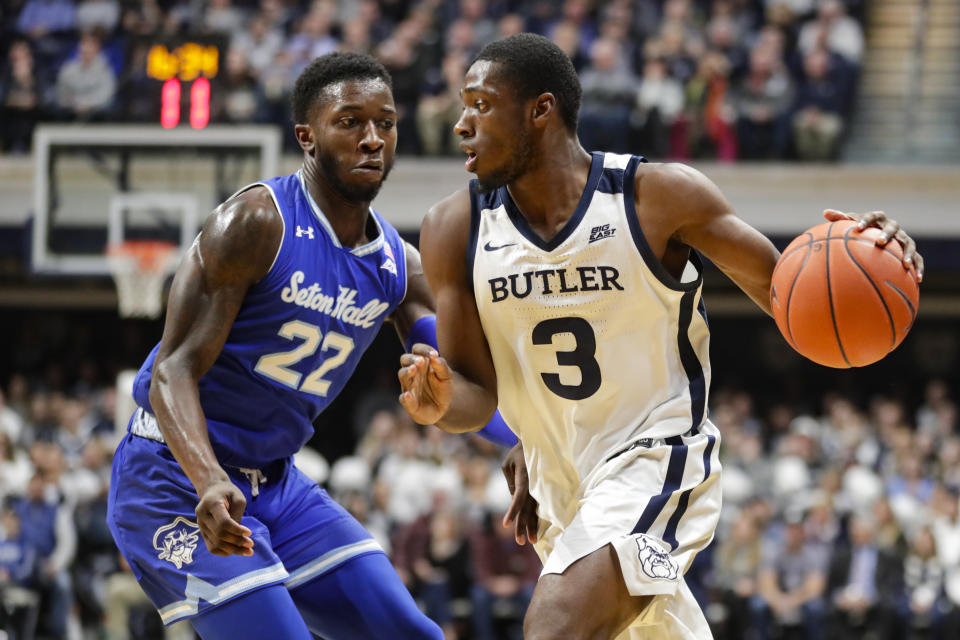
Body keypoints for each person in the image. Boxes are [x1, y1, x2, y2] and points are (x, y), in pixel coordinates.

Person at [397, 32, 924, 640]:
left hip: (658, 460)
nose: (460, 123)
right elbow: (476, 396)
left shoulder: (657, 197)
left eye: (479, 104)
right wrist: (439, 404)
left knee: (554, 627)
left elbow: (796, 304)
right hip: (557, 487)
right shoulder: (452, 227)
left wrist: (869, 255)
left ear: (540, 110)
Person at [106, 52, 515, 640]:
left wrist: (531, 443)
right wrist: (208, 479)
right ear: (307, 136)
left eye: (386, 122)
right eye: (350, 122)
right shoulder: (255, 223)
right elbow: (172, 370)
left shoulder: (398, 269)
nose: (372, 139)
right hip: (172, 477)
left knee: (411, 632)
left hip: (275, 485)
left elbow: (474, 384)